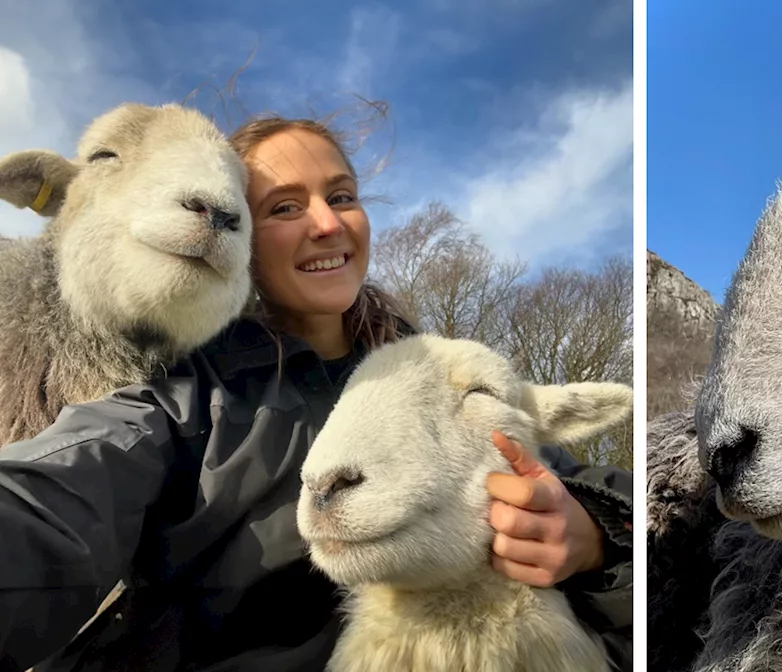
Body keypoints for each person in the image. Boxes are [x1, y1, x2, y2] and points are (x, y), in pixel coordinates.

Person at [0, 114, 633, 672]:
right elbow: (56, 497)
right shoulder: (187, 399)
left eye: (342, 196)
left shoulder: (444, 376)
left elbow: (591, 487)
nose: (328, 224)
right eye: (283, 207)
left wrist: (596, 535)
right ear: (238, 231)